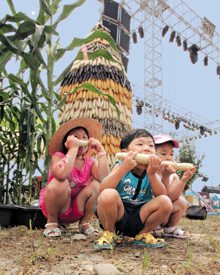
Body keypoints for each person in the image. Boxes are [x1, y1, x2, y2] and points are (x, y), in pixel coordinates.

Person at [94, 129, 173, 249]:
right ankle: (109, 233)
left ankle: (143, 234)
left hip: (140, 216)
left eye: (151, 145)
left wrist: (152, 174)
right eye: (140, 144)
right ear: (124, 152)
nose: (147, 148)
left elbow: (161, 194)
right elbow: (103, 188)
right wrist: (123, 169)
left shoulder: (152, 171)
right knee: (108, 194)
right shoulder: (120, 165)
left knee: (165, 201)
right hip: (118, 215)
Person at [40, 117, 109, 237]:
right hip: (59, 207)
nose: (80, 140)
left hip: (77, 208)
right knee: (60, 182)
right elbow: (61, 174)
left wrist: (101, 152)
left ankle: (85, 223)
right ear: (66, 142)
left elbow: (104, 178)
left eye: (84, 137)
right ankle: (52, 223)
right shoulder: (59, 156)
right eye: (75, 137)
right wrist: (72, 149)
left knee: (98, 186)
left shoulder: (90, 162)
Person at [153, 134, 196, 238]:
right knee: (164, 202)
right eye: (163, 153)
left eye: (171, 154)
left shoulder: (173, 176)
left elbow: (171, 197)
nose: (168, 157)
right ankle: (148, 229)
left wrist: (183, 180)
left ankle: (170, 228)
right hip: (150, 214)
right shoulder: (149, 174)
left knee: (181, 201)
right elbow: (160, 197)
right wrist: (164, 176)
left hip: (164, 215)